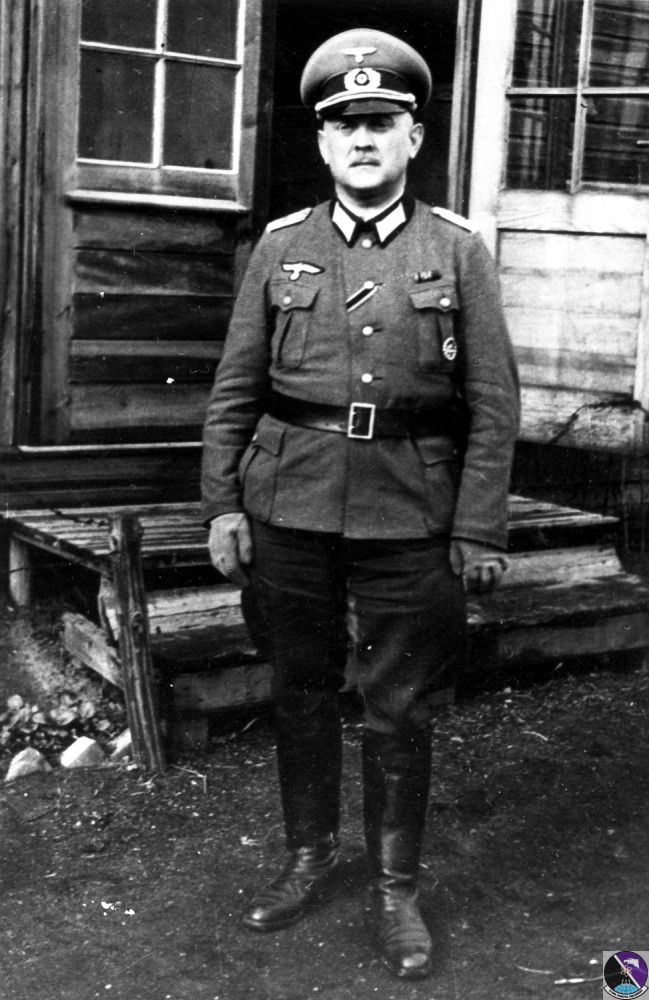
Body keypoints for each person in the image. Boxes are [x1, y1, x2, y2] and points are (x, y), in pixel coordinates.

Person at [201, 27, 519, 981]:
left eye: (381, 122)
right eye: (345, 125)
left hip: (409, 509)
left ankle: (394, 888)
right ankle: (308, 857)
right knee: (298, 688)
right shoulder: (281, 247)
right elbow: (234, 389)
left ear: (413, 137)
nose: (363, 139)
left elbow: (493, 402)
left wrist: (477, 525)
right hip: (289, 502)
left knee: (400, 704)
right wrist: (222, 505)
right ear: (323, 142)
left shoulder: (456, 249)